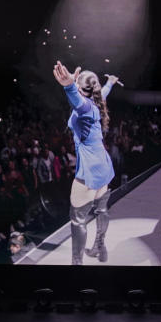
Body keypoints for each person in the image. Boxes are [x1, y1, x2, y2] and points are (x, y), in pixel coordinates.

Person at [52, 61, 120, 264]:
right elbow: (102, 94)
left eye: (78, 88)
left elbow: (77, 102)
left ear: (81, 89)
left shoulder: (84, 107)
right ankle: (100, 248)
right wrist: (110, 83)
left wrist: (68, 86)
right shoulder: (97, 102)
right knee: (102, 210)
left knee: (77, 220)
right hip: (104, 168)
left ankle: (77, 264)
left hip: (89, 173)